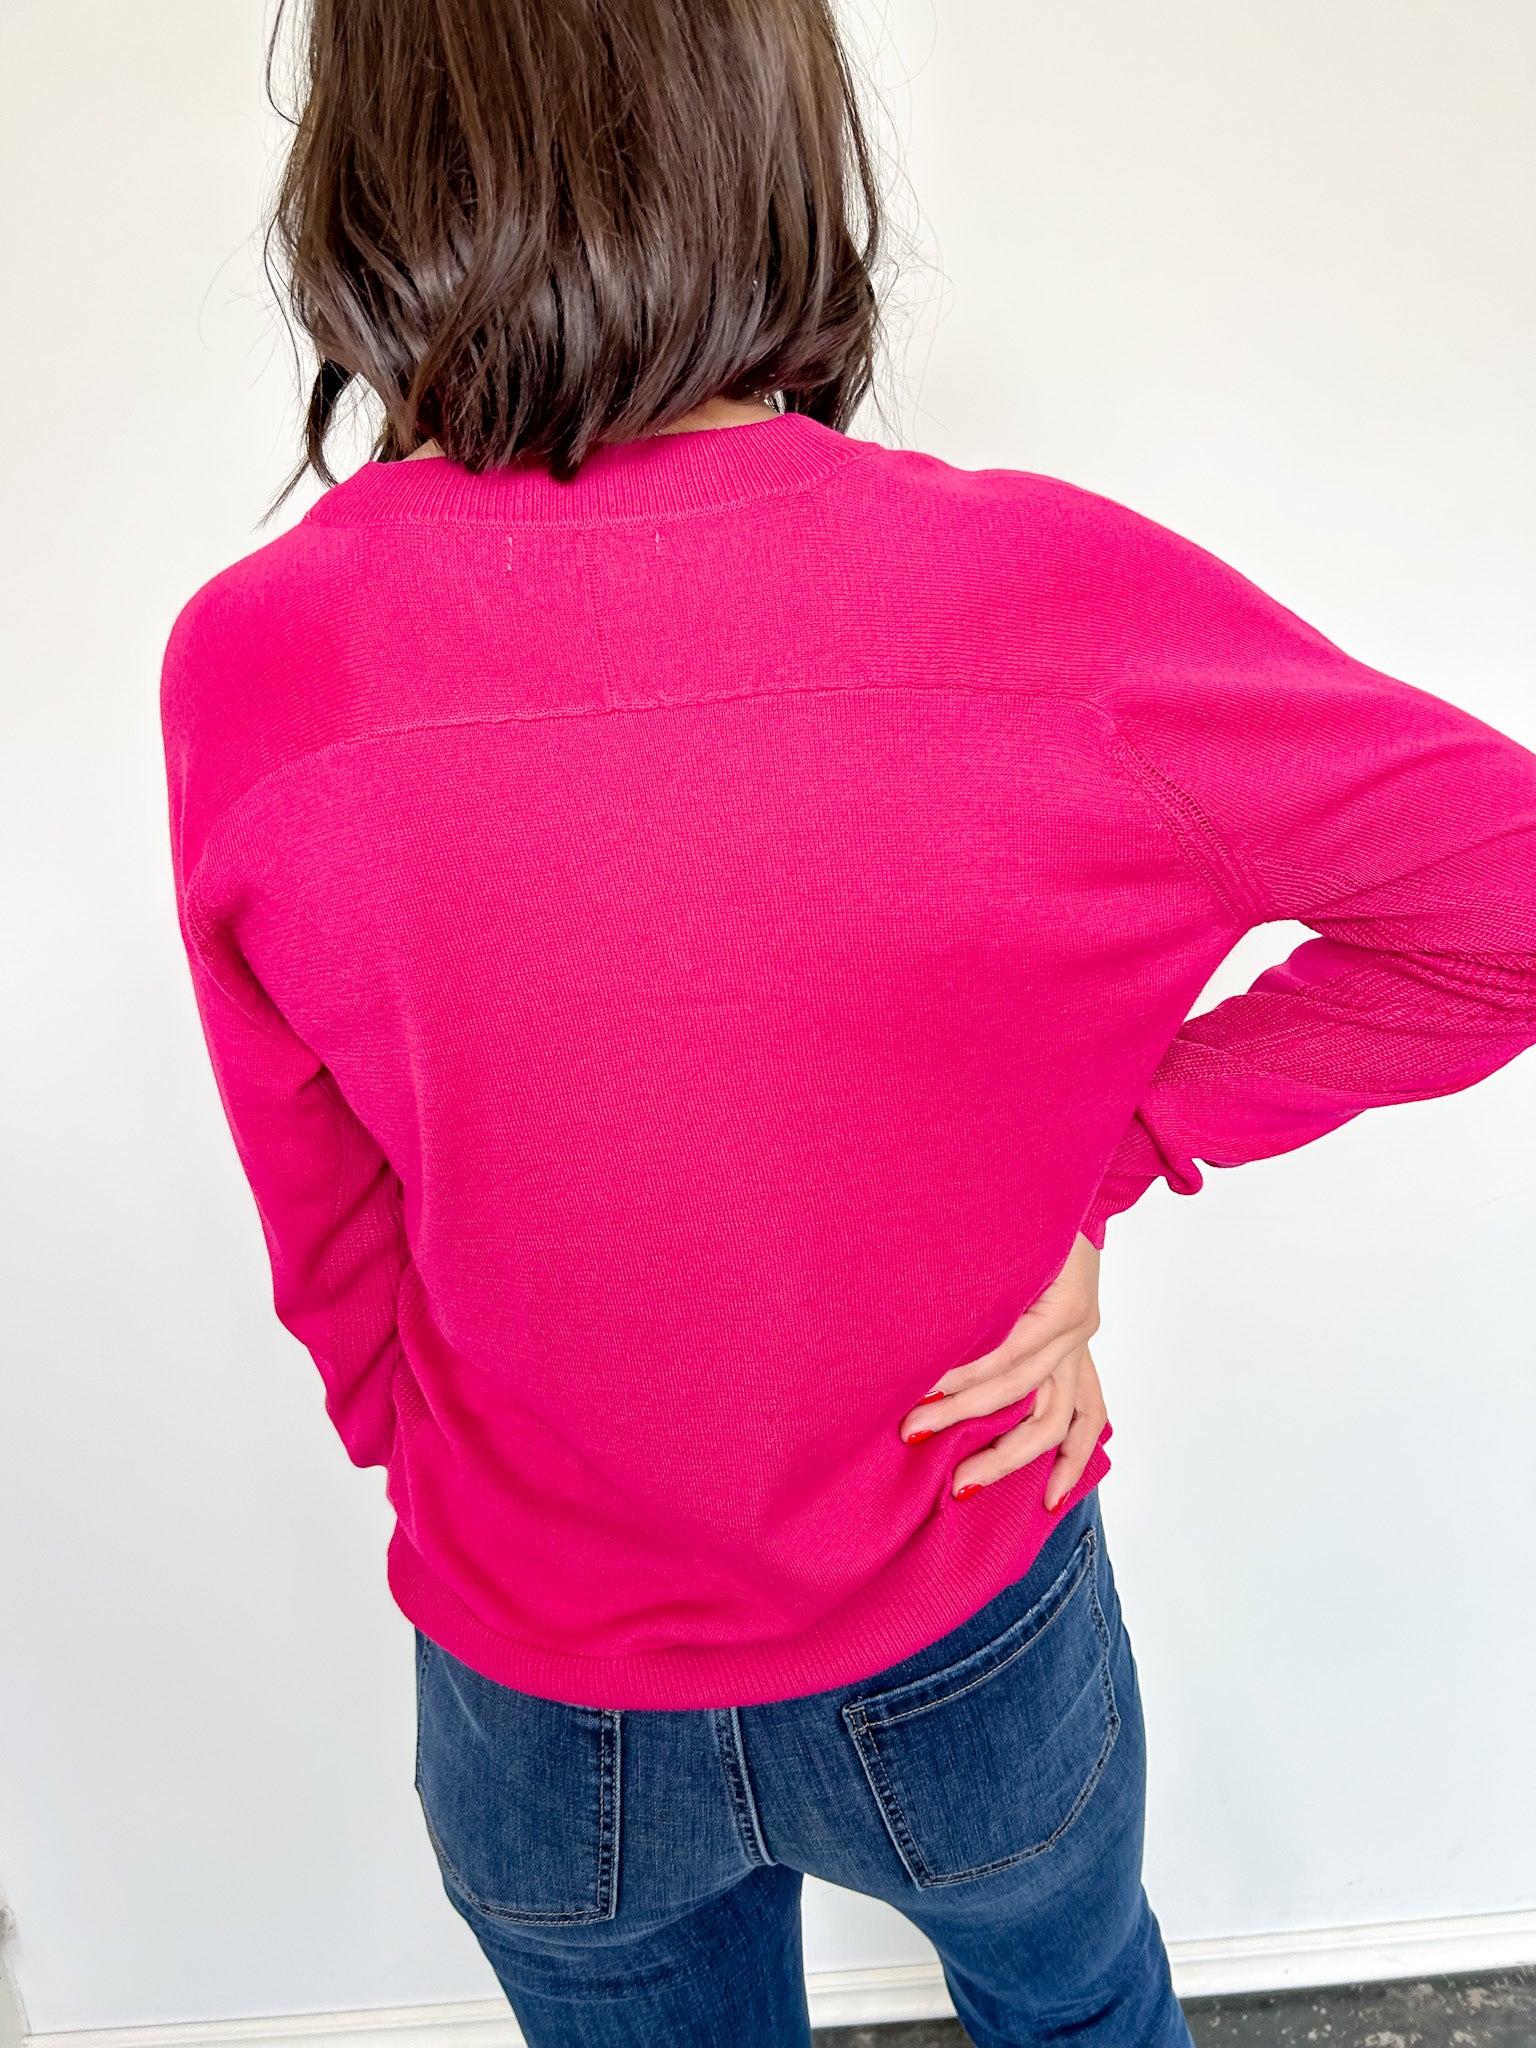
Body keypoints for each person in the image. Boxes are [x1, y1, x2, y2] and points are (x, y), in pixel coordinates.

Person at [158, 2, 1536, 2043]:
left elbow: (327, 1225)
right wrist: (1120, 1149)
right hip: (960, 1613)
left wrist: (488, 1478)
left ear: (372, 173)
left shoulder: (260, 664)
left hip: (542, 1681)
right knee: (1081, 2014)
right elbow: (1503, 898)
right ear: (774, 144)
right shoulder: (1040, 594)